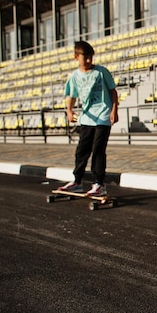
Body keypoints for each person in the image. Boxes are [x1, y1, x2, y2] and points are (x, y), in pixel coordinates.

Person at [58, 40, 118, 196]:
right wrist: (69, 111)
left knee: (98, 150)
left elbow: (113, 92)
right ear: (76, 57)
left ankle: (99, 184)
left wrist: (114, 110)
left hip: (103, 116)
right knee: (81, 151)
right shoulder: (74, 76)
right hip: (86, 118)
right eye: (86, 58)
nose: (90, 61)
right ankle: (77, 181)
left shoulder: (101, 72)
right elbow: (71, 95)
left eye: (91, 57)